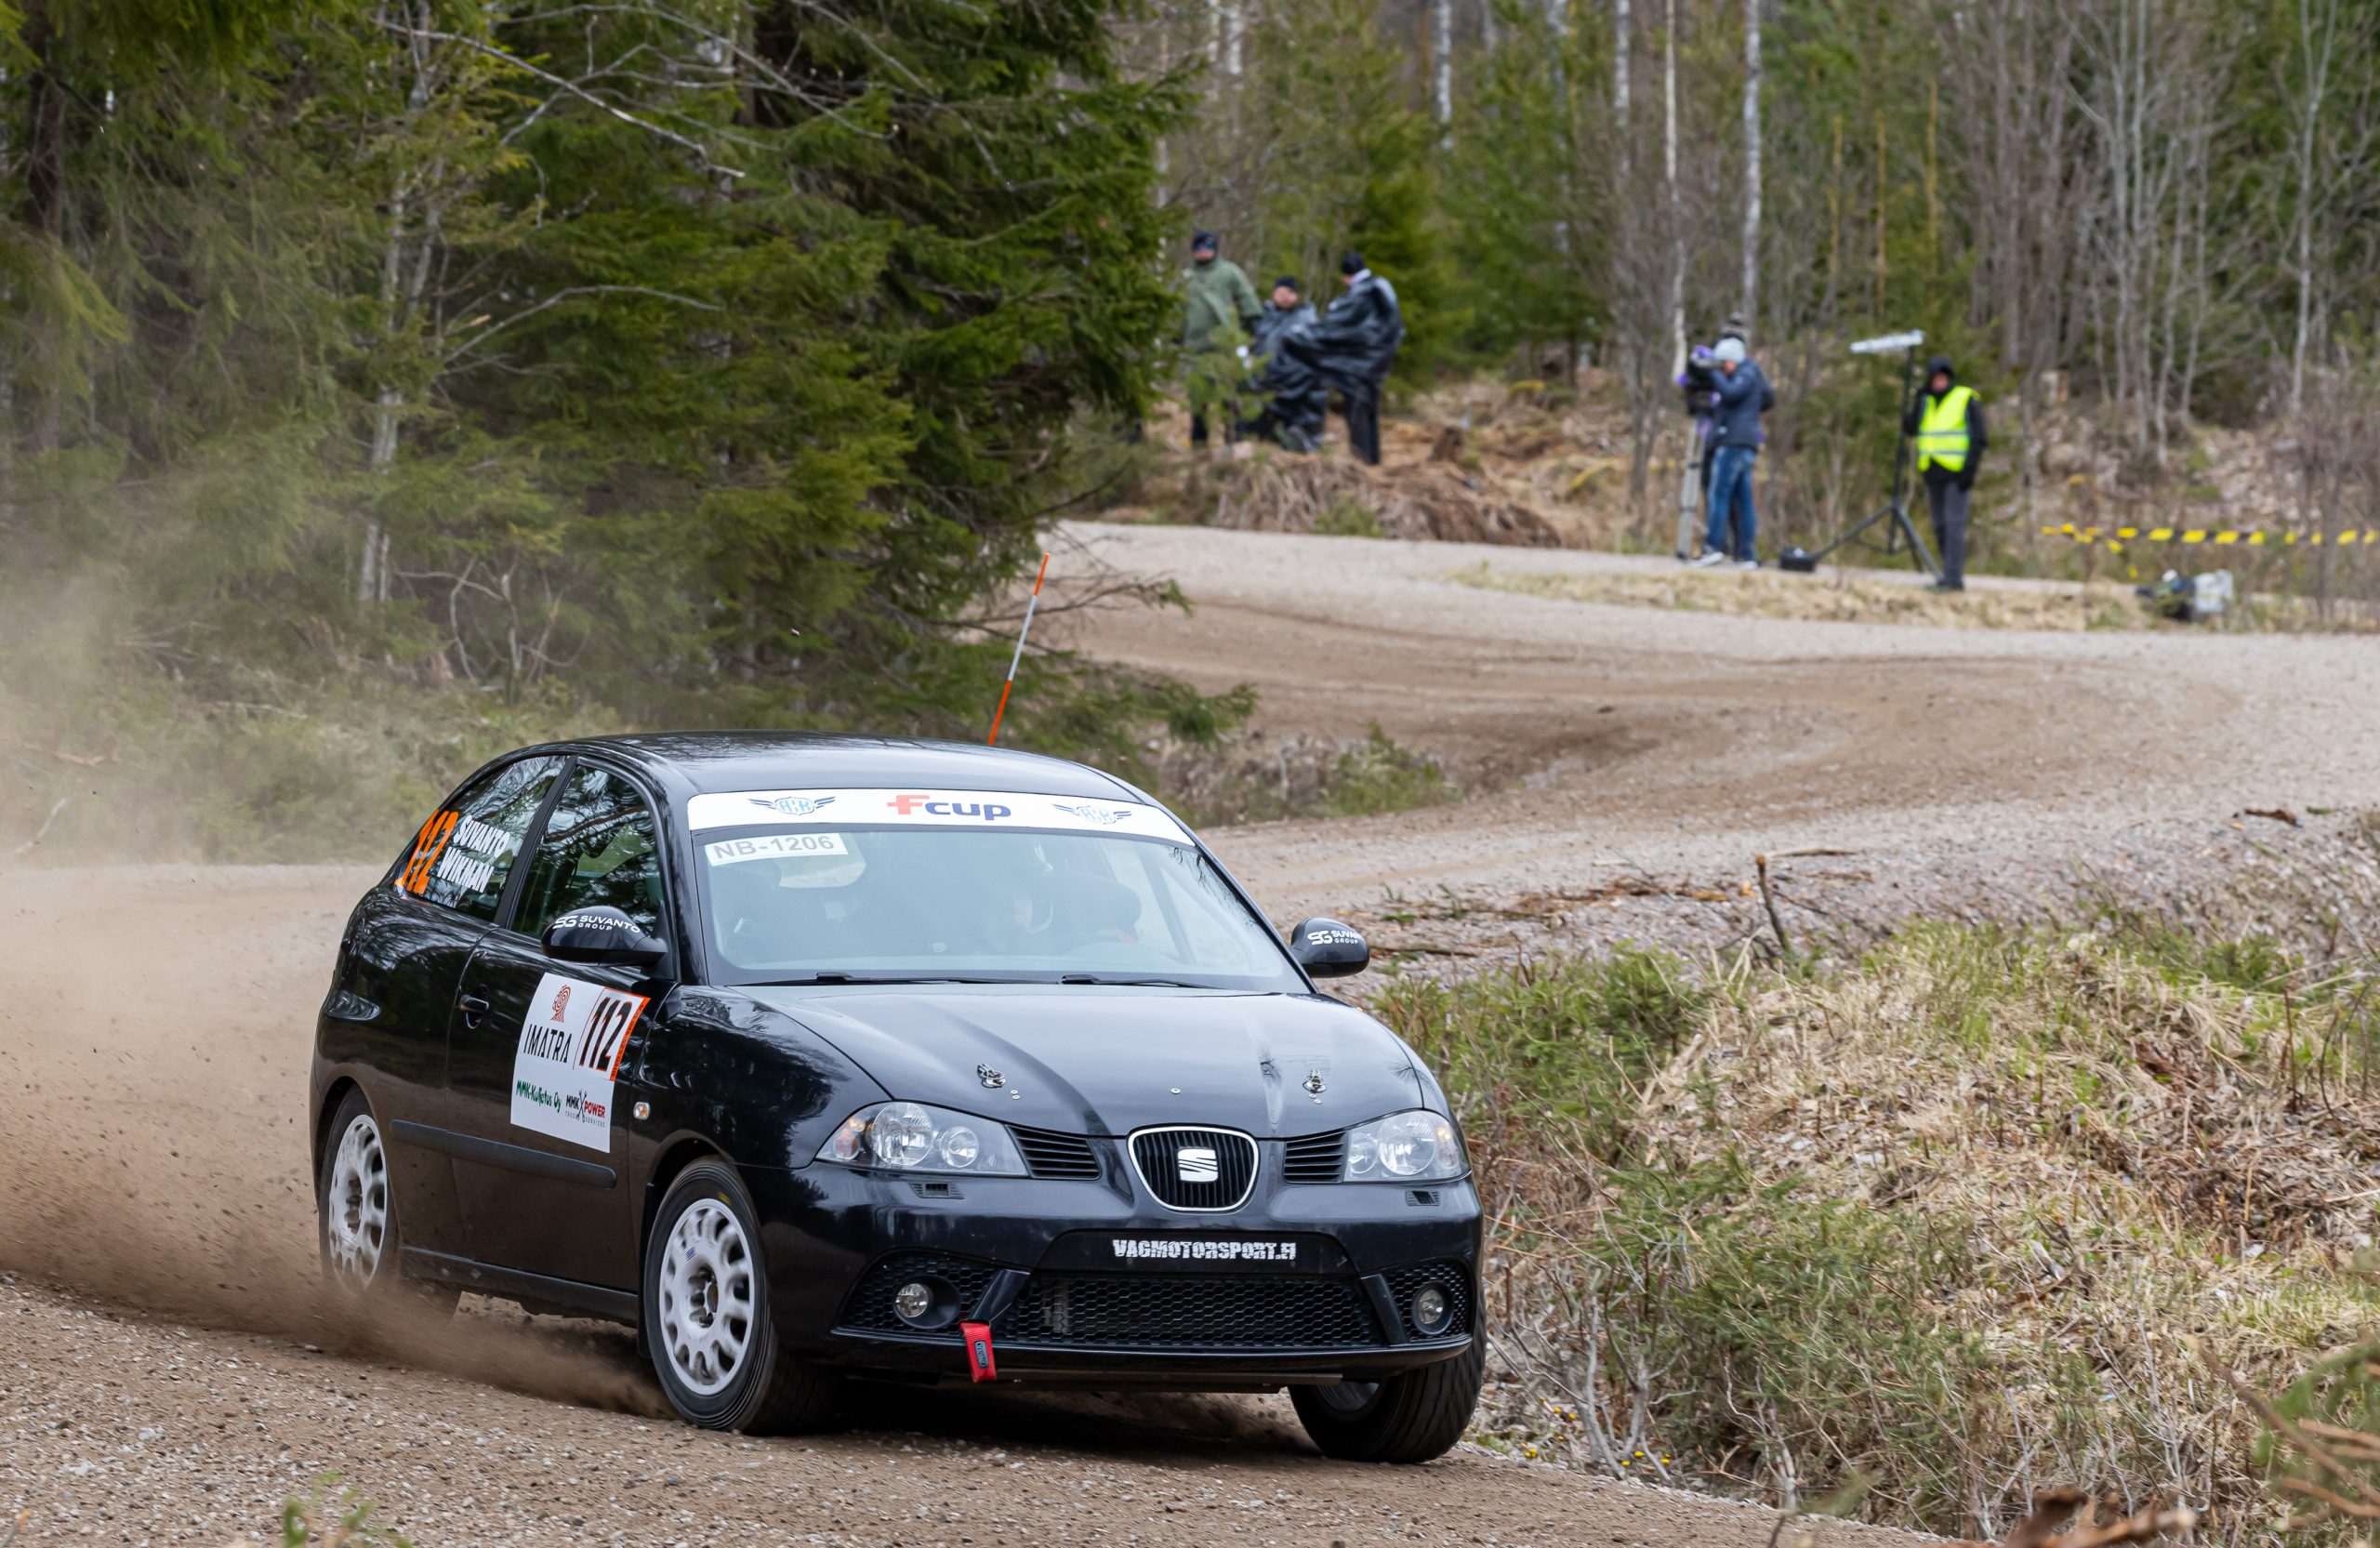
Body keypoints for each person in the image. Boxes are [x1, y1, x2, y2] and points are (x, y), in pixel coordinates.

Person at [1282, 250, 1405, 465]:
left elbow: (1332, 328)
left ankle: (1362, 461)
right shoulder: (1378, 289)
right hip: (1375, 367)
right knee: (1370, 412)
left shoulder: (1358, 296)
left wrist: (1299, 336)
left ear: (1346, 276)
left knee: (1357, 413)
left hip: (1357, 369)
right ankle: (1373, 459)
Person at [1902, 354, 1987, 592]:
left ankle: (1953, 578)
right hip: (1933, 472)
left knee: (1954, 525)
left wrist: (1970, 470)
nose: (1939, 382)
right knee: (1940, 526)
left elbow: (1980, 437)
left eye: (1943, 378)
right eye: (1935, 378)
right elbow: (1911, 428)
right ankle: (1946, 573)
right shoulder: (1926, 401)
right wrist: (1915, 402)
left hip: (1957, 474)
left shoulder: (1965, 398)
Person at [1690, 336, 1773, 568]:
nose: (1722, 369)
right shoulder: (1752, 375)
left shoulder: (1746, 373)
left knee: (1719, 495)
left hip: (1733, 443)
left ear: (1731, 360)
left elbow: (1731, 393)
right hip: (1746, 444)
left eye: (1723, 363)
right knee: (1743, 499)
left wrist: (1712, 373)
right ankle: (1746, 554)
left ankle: (1713, 547)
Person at [1180, 230, 1263, 448]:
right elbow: (1176, 313)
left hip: (1224, 348)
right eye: (1199, 247)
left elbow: (1249, 304)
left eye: (1208, 246)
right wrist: (1175, 340)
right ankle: (1199, 447)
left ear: (1215, 249)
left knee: (1229, 398)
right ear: (1193, 251)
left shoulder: (1229, 272)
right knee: (1198, 401)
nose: (1203, 251)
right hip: (1195, 349)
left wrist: (1245, 335)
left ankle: (1233, 442)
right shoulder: (1185, 278)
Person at [1242, 276, 1327, 452]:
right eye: (1280, 292)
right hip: (1263, 381)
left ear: (1296, 296)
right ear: (1274, 293)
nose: (1284, 297)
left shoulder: (1305, 318)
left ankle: (1298, 438)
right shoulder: (1262, 317)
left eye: (1289, 292)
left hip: (1294, 383)